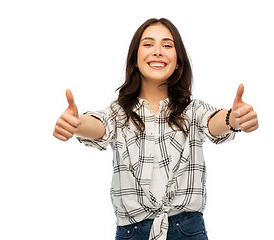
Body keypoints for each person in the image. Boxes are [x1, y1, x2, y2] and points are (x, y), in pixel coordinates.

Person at [53, 18, 258, 240]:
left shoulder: (192, 110)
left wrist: (234, 119)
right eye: (148, 44)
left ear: (178, 62)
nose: (157, 51)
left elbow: (213, 122)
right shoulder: (119, 112)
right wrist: (77, 124)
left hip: (187, 230)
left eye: (167, 45)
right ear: (135, 59)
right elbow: (100, 126)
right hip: (132, 232)